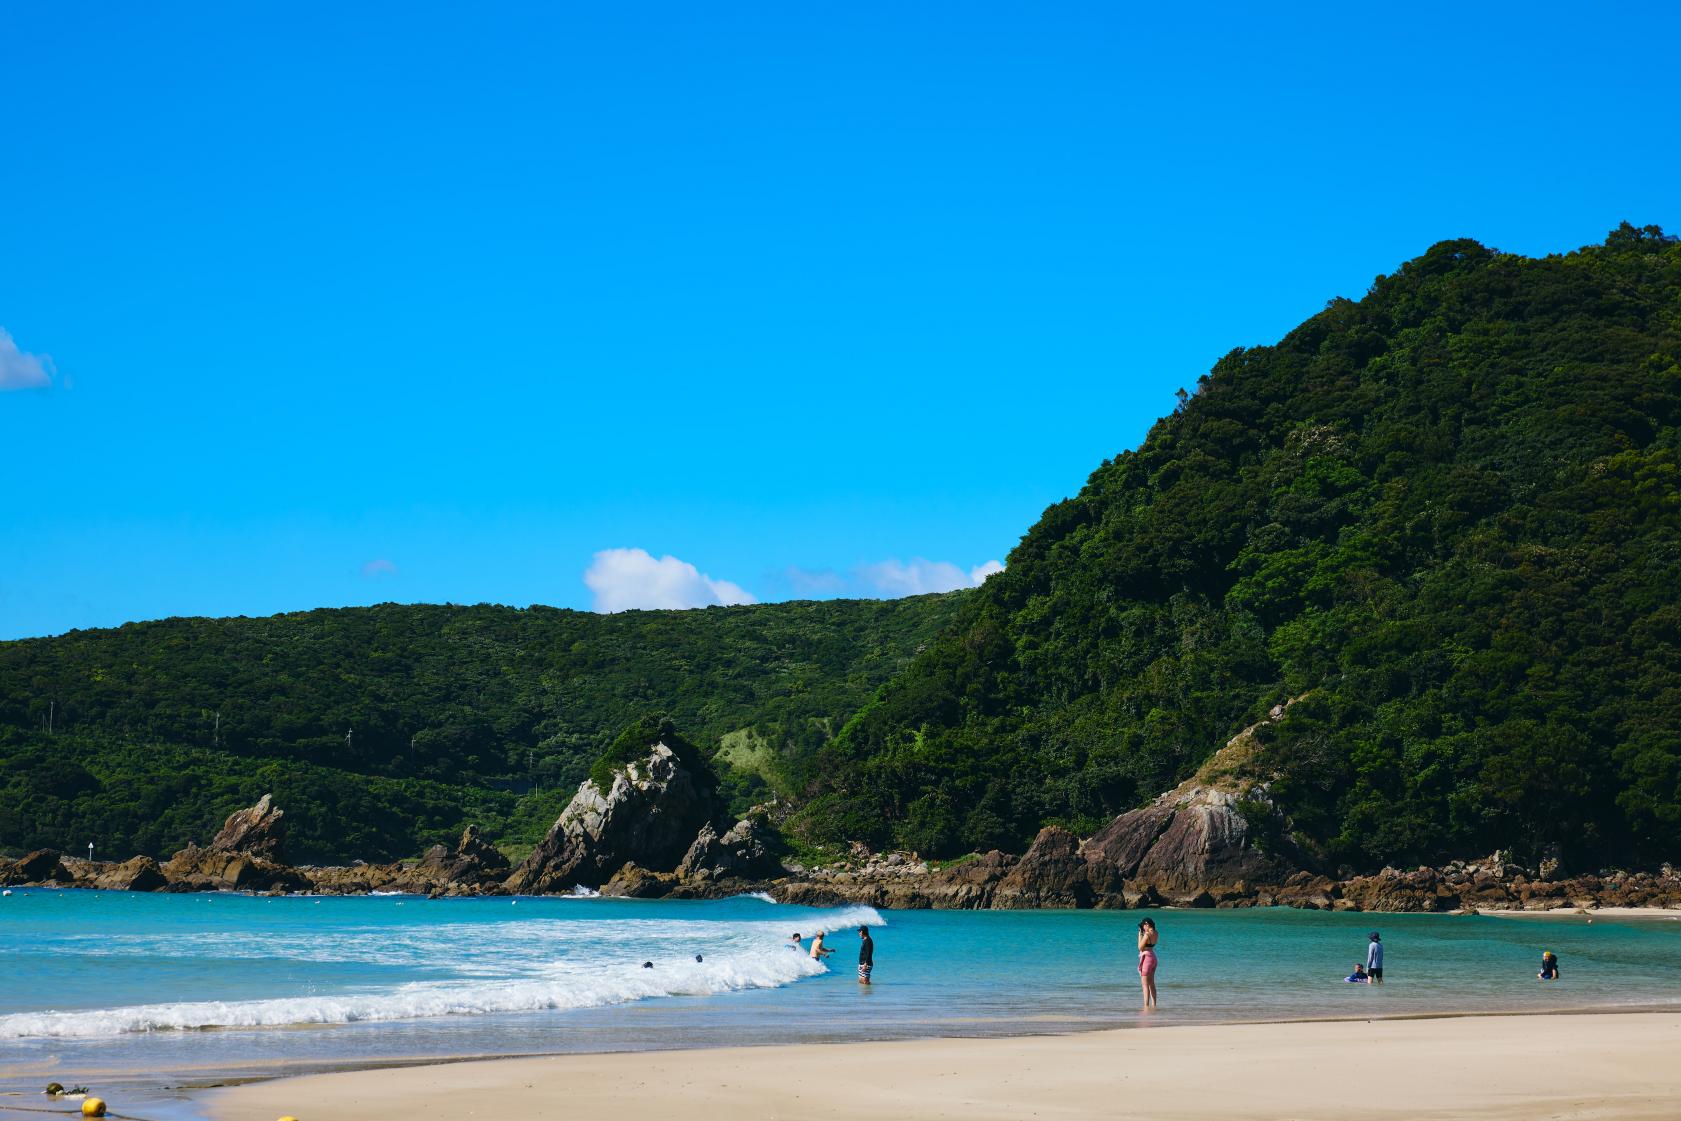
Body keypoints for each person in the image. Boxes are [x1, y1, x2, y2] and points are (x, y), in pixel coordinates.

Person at [1137, 917, 1159, 1009]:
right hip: (1153, 957)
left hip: (1146, 958)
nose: (1143, 928)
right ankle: (1154, 1005)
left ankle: (1146, 1006)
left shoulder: (1146, 935)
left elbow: (1140, 947)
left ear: (1147, 924)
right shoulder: (1156, 933)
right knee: (1151, 983)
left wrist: (1139, 935)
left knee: (1145, 985)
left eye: (1143, 925)